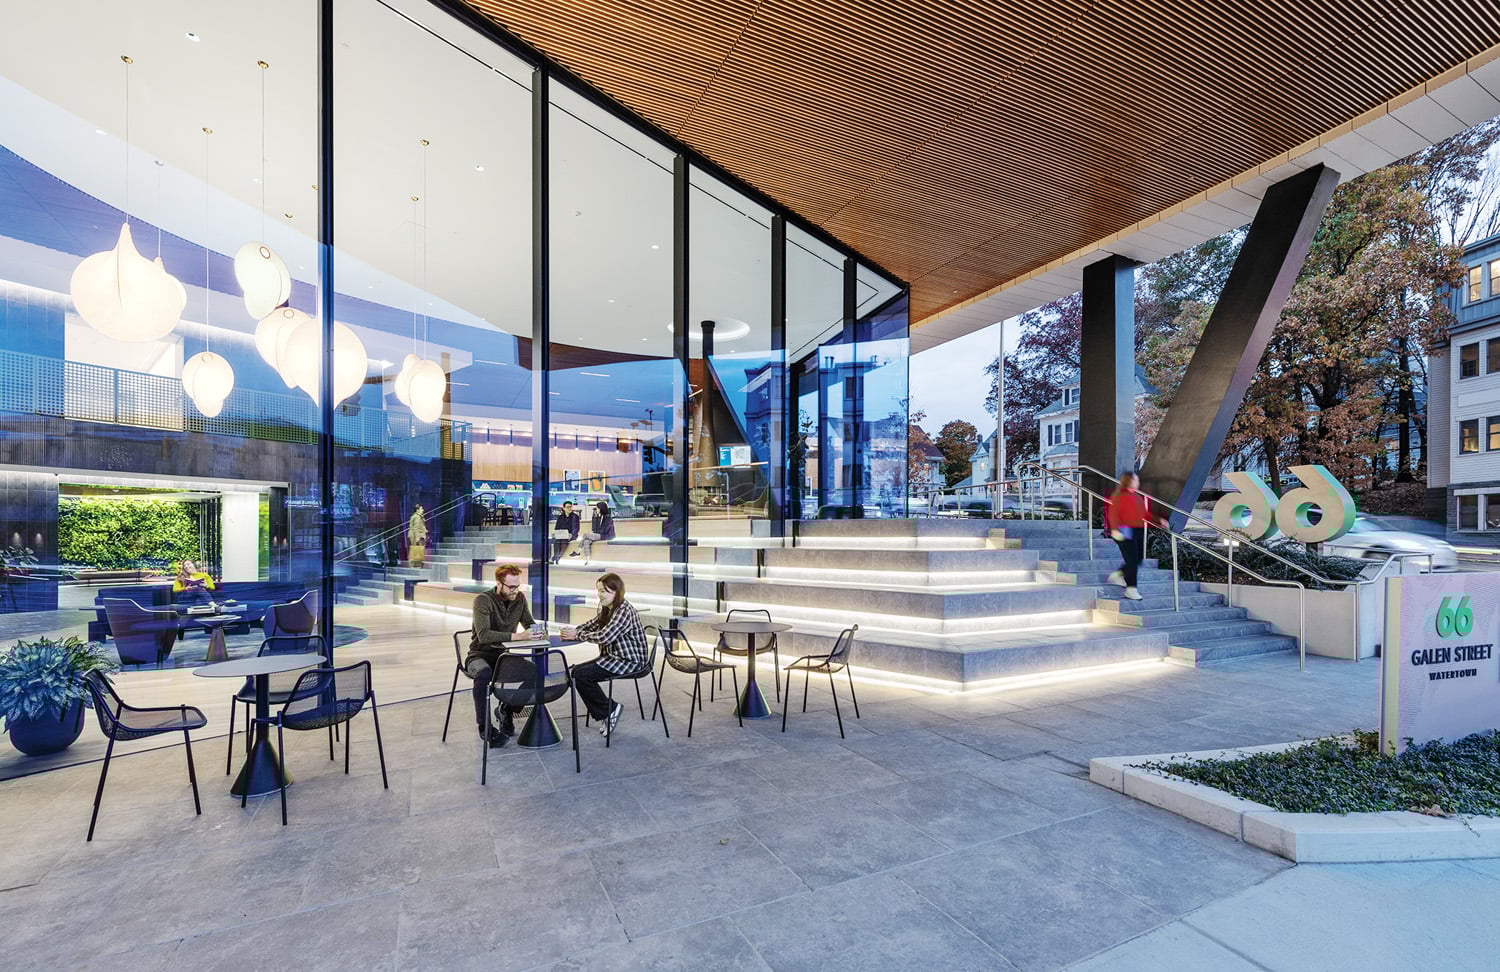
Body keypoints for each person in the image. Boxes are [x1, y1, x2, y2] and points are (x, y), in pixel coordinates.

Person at [561, 572, 649, 737]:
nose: (599, 595)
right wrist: (574, 630)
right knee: (575, 672)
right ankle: (606, 712)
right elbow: (592, 624)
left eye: (604, 591)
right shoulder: (609, 608)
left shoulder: (623, 610)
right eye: (599, 591)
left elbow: (605, 636)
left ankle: (610, 710)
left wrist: (577, 635)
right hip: (614, 657)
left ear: (616, 592)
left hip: (630, 661)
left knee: (582, 676)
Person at [465, 563, 539, 746]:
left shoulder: (519, 599)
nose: (515, 590)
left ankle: (507, 708)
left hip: (502, 656)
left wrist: (537, 631)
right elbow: (484, 635)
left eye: (518, 586)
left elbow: (529, 622)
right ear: (499, 584)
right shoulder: (483, 600)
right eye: (511, 587)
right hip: (478, 655)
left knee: (535, 672)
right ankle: (485, 728)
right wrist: (518, 636)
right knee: (483, 674)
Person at [1103, 471, 1167, 601]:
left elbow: (1144, 514)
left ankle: (1119, 575)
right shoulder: (1119, 496)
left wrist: (1159, 521)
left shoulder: (1136, 497)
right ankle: (1131, 589)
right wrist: (1115, 530)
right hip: (1124, 530)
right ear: (1129, 481)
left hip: (1137, 530)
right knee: (1132, 560)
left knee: (1138, 559)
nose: (1138, 483)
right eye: (1136, 480)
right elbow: (1113, 514)